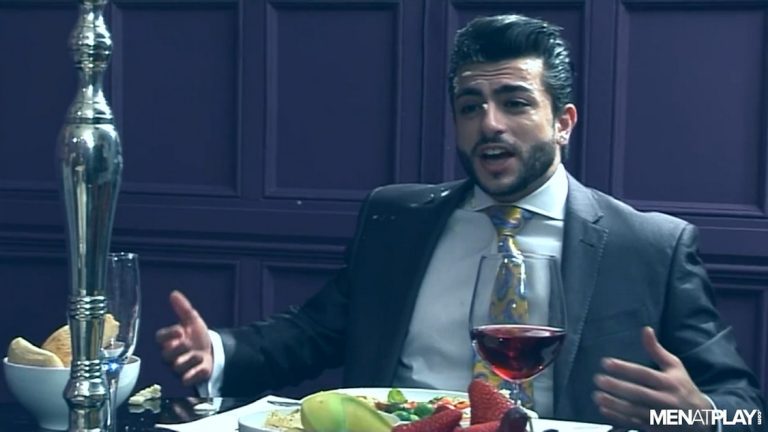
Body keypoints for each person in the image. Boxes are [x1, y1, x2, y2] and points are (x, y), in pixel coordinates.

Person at [156, 14, 764, 431]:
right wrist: (218, 352)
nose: (489, 123)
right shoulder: (397, 219)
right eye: (471, 106)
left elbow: (746, 409)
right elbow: (314, 333)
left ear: (563, 123)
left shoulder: (651, 245)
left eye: (515, 103)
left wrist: (696, 415)